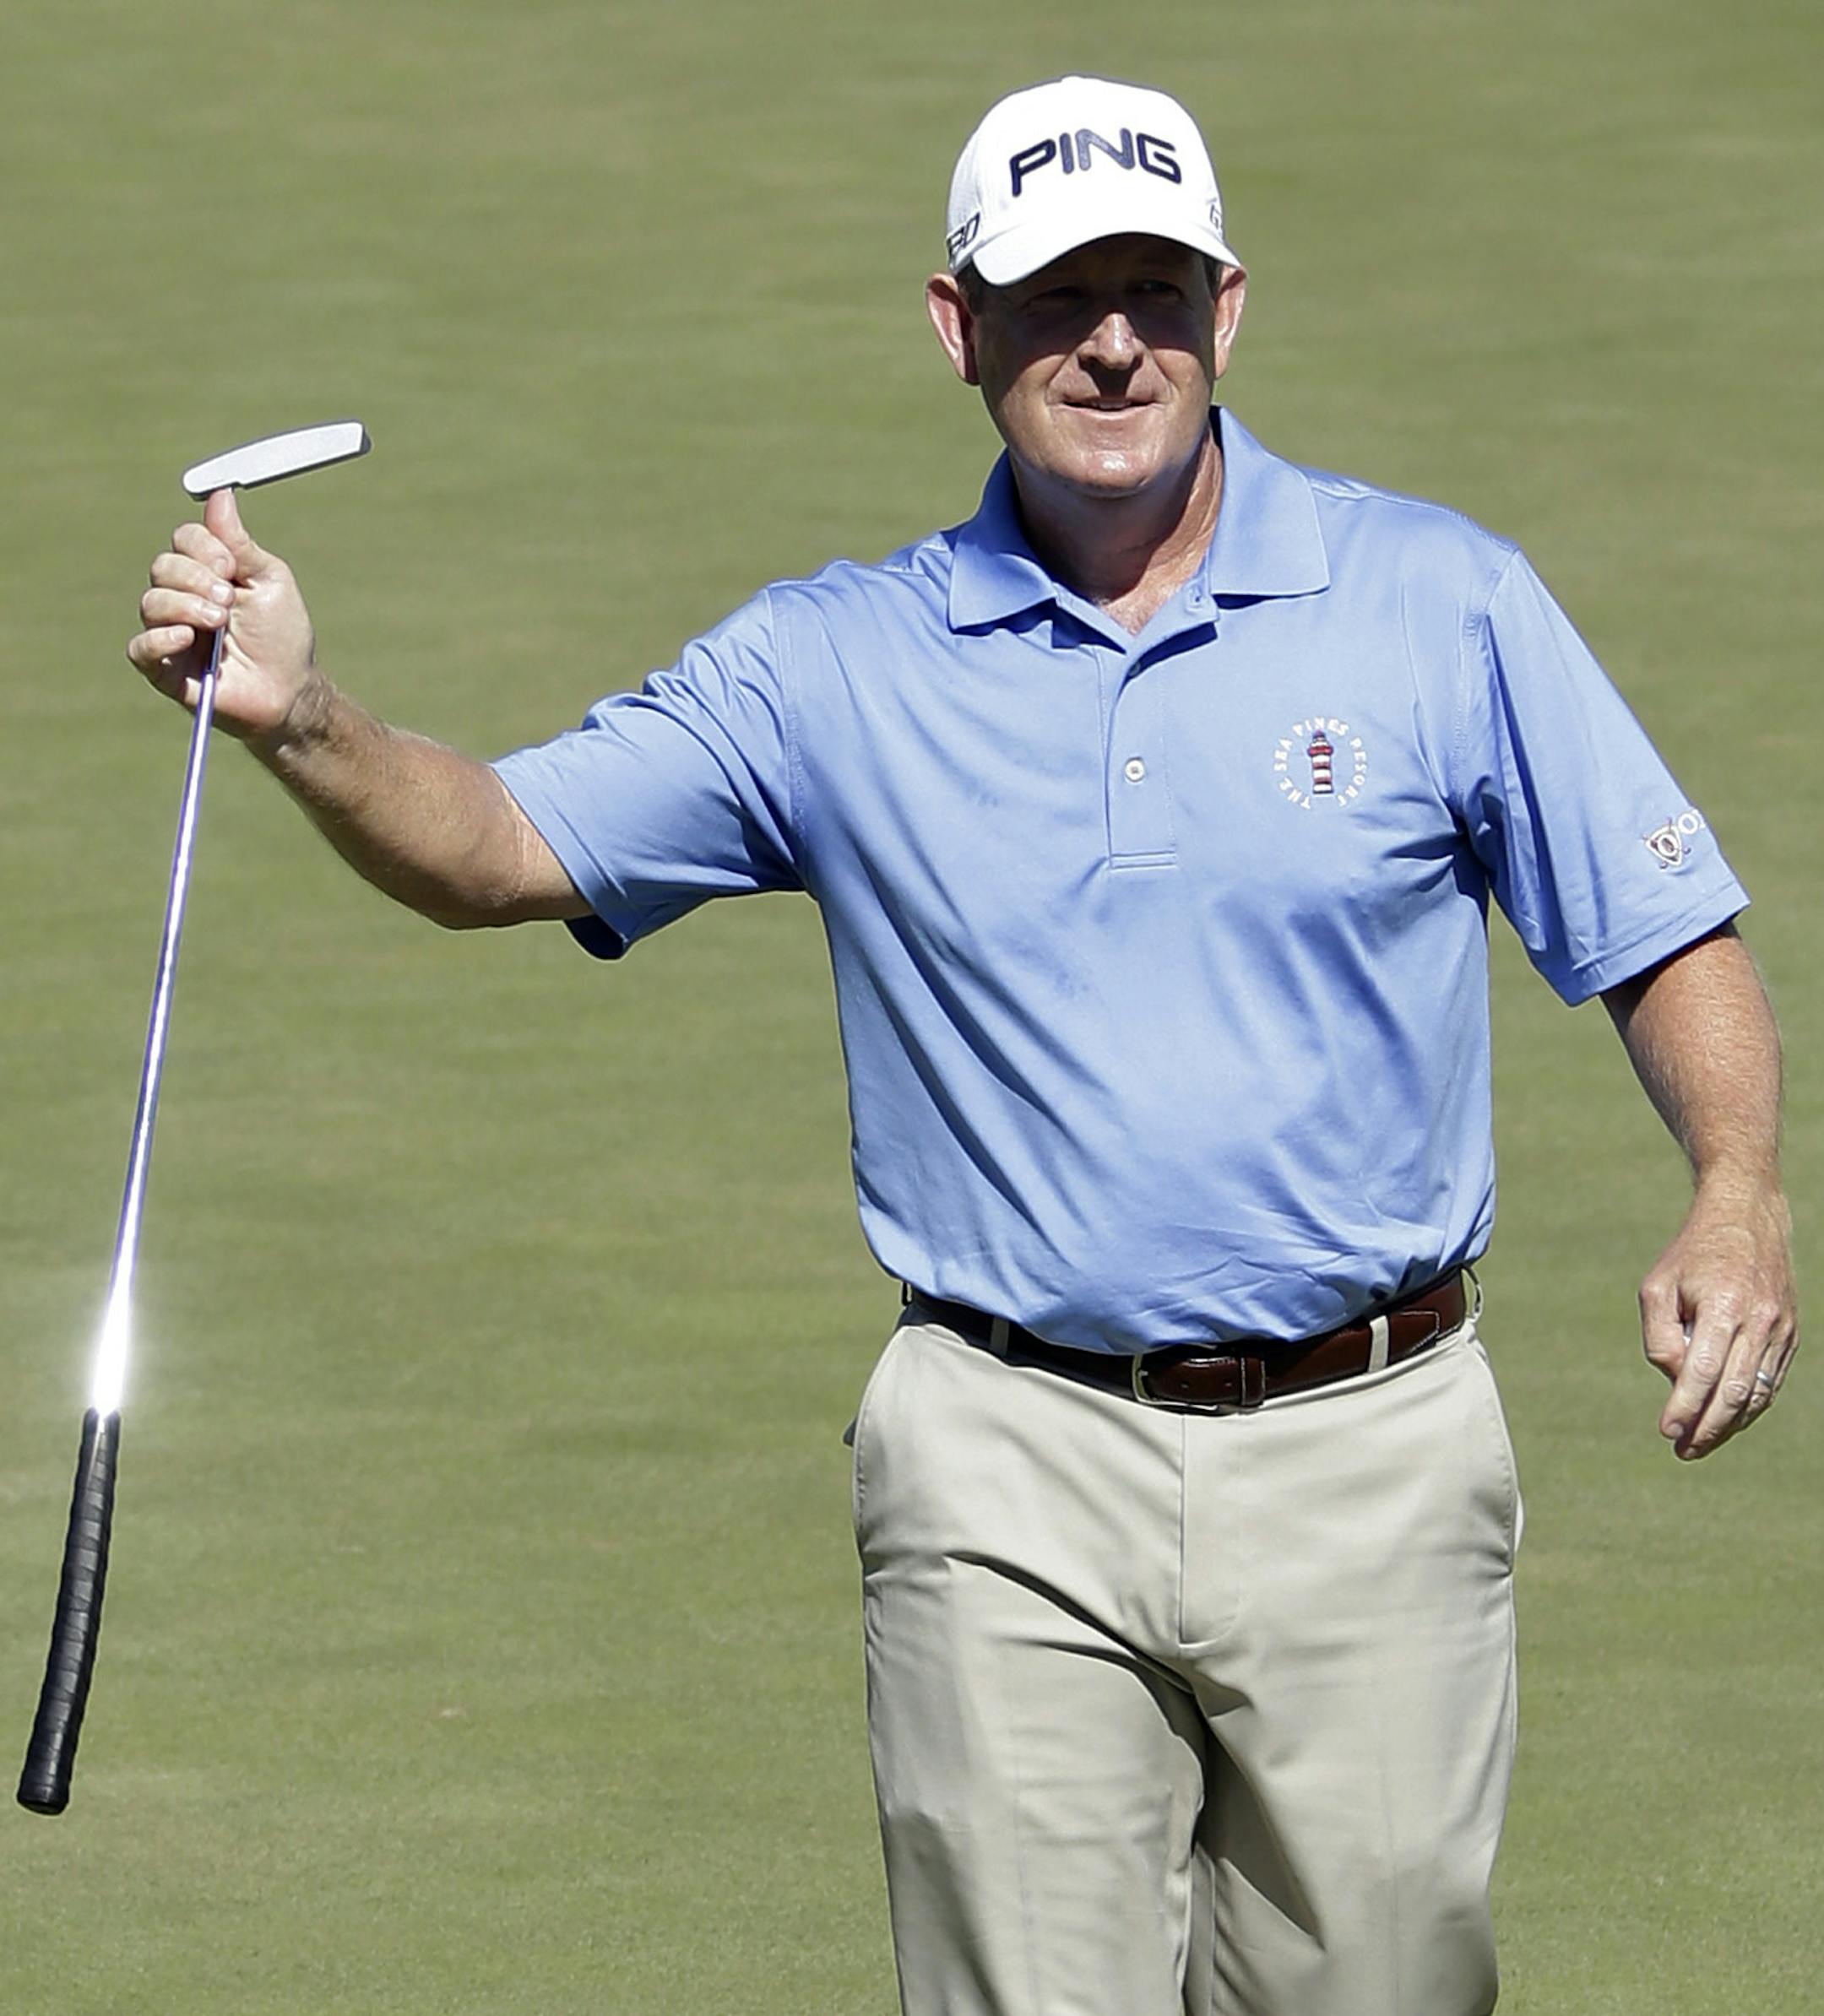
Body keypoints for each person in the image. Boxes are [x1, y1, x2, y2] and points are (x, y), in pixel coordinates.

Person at [129, 73, 1794, 2016]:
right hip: (1006, 1461)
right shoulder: (832, 664)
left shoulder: (1439, 603)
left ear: (1226, 310)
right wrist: (308, 716)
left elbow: (1664, 927)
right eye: (1056, 294)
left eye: (1154, 289)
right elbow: (504, 845)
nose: (1112, 342)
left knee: (1390, 1983)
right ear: (959, 327)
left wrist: (1738, 1194)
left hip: (1377, 1446)